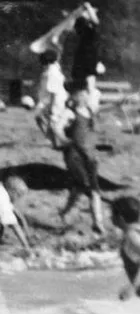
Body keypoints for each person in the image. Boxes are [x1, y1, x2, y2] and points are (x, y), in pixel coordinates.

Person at [61, 76, 109, 238]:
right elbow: (56, 126)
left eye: (86, 93)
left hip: (90, 155)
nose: (85, 96)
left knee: (83, 188)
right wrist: (64, 140)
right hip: (75, 155)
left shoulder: (90, 110)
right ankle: (97, 223)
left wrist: (119, 103)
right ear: (74, 96)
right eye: (82, 94)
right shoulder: (70, 112)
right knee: (89, 188)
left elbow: (104, 109)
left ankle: (67, 213)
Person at [112, 196, 140, 299]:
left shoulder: (131, 236)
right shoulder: (134, 233)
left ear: (120, 218)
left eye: (112, 214)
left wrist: (132, 287)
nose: (110, 217)